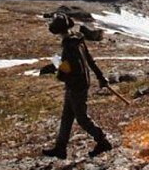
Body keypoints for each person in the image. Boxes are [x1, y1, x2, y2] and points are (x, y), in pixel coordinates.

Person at [43, 12, 113, 159]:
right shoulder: (78, 39)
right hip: (79, 83)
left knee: (81, 118)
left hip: (76, 86)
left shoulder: (69, 46)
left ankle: (103, 141)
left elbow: (72, 69)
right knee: (67, 117)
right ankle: (60, 148)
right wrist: (100, 76)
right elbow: (89, 60)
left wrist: (59, 71)